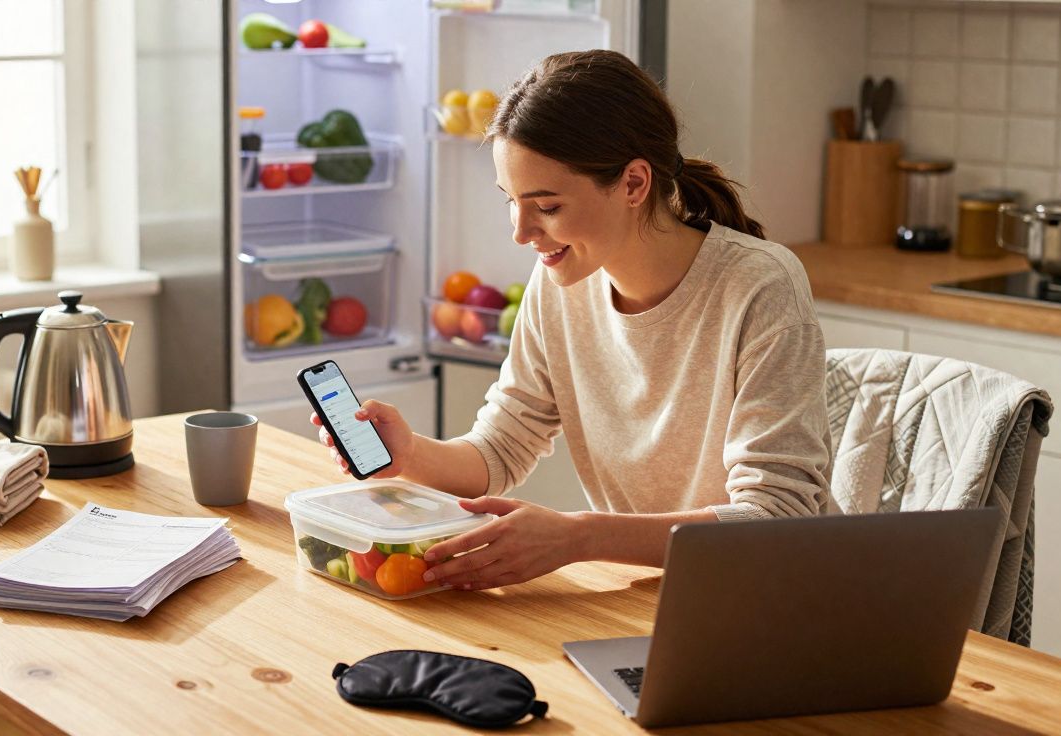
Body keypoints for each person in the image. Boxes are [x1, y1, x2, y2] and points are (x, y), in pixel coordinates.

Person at [312, 49, 832, 591]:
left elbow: (776, 517)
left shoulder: (759, 286)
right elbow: (500, 449)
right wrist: (411, 454)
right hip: (645, 594)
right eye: (510, 201)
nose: (521, 232)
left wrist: (580, 537)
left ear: (634, 184)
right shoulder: (560, 281)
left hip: (772, 594)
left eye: (548, 206)